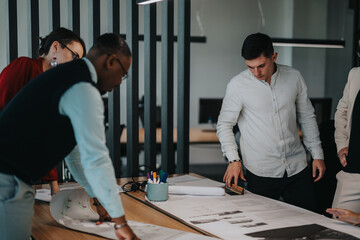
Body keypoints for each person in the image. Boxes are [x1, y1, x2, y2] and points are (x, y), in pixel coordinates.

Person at [0, 33, 139, 240]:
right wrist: (121, 222)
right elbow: (97, 159)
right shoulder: (83, 88)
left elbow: (75, 156)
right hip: (8, 179)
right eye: (123, 74)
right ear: (111, 61)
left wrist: (97, 198)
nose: (119, 82)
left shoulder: (66, 76)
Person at [217, 33, 326, 212]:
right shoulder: (237, 85)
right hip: (260, 171)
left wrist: (318, 154)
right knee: (261, 227)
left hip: (297, 167)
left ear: (274, 57)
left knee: (309, 223)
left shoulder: (294, 77)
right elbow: (224, 125)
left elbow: (307, 117)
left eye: (261, 66)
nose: (256, 73)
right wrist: (234, 159)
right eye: (250, 67)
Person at [0, 27, 86, 195]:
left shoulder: (56, 88)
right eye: (74, 56)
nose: (76, 64)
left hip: (20, 174)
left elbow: (45, 139)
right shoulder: (24, 66)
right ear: (55, 47)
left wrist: (54, 187)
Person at [332, 30, 360, 213]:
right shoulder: (355, 75)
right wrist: (342, 146)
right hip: (353, 173)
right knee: (337, 230)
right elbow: (341, 113)